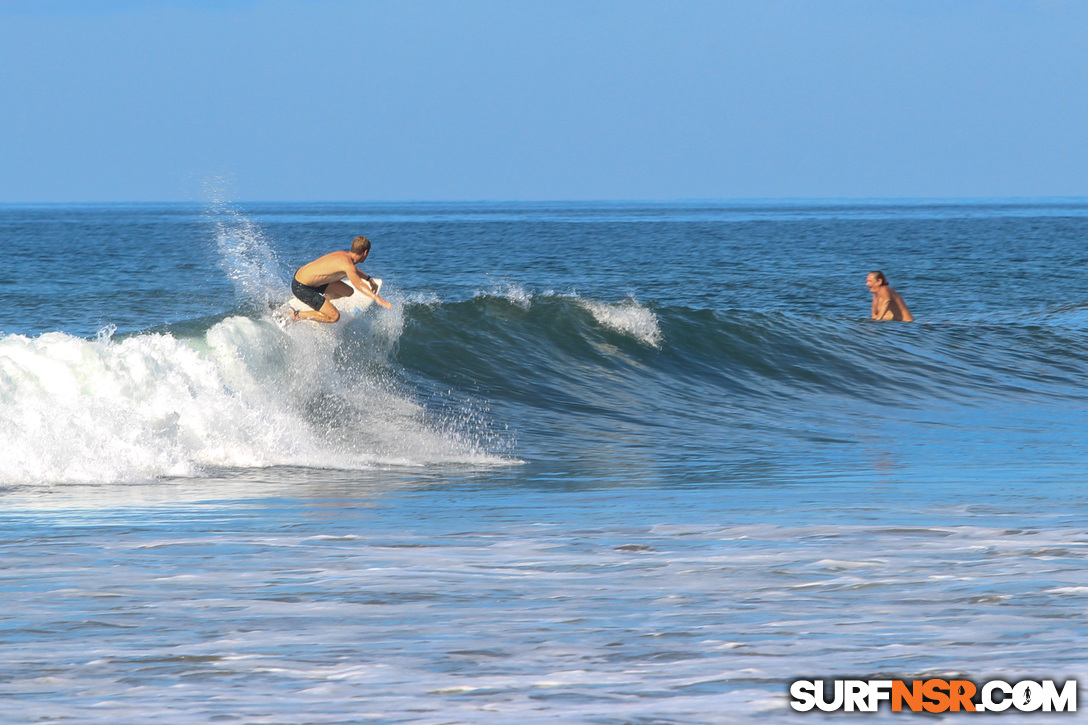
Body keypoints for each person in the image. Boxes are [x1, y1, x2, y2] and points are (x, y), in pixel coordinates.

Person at [291, 236, 392, 323]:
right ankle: (296, 315)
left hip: (306, 279)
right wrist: (377, 299)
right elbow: (359, 284)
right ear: (365, 252)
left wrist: (369, 279)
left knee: (348, 291)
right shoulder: (348, 265)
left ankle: (322, 302)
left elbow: (352, 269)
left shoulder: (343, 255)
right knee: (334, 317)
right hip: (302, 287)